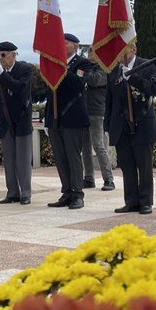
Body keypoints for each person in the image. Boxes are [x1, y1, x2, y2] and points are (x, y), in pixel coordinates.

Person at [105, 52, 156, 215]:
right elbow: (109, 101)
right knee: (127, 166)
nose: (120, 53)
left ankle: (145, 201)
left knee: (144, 165)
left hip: (141, 123)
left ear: (132, 47)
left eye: (123, 49)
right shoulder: (113, 70)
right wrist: (107, 126)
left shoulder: (147, 64)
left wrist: (132, 78)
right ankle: (131, 201)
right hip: (121, 125)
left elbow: (154, 89)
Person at [46, 38, 91, 210]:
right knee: (60, 157)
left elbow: (77, 84)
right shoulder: (54, 62)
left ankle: (78, 193)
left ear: (76, 46)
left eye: (66, 43)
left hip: (73, 117)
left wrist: (62, 69)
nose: (63, 46)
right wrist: (47, 117)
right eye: (61, 42)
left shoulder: (82, 63)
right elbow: (50, 91)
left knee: (73, 157)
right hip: (55, 117)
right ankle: (67, 191)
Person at [0, 41, 34, 205]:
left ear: (13, 55)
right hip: (5, 121)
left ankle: (25, 193)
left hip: (21, 119)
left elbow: (20, 89)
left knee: (22, 159)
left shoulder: (24, 69)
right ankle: (12, 192)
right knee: (8, 159)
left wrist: (2, 75)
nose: (1, 58)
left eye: (4, 55)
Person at [78, 42, 115, 191]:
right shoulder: (88, 68)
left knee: (98, 145)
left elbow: (93, 80)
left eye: (92, 51)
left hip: (96, 111)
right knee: (85, 147)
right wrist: (82, 73)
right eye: (88, 52)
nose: (89, 54)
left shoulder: (104, 69)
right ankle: (89, 178)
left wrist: (82, 73)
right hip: (84, 111)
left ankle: (108, 179)